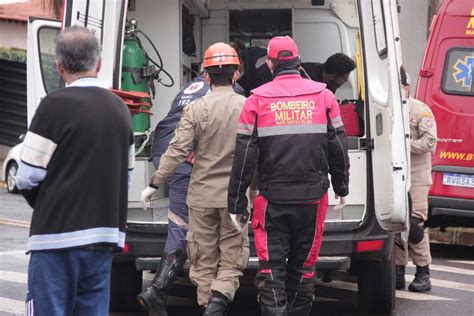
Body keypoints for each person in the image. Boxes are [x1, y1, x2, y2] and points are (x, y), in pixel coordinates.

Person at [15, 26, 134, 315]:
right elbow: (126, 178)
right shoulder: (120, 109)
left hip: (55, 238)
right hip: (104, 237)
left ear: (58, 65)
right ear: (99, 63)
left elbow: (26, 175)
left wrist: (47, 201)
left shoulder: (53, 106)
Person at [227, 36, 350, 316]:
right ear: (297, 60)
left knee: (271, 269)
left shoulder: (256, 100)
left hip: (272, 199)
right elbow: (339, 147)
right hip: (313, 199)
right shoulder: (325, 96)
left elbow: (244, 156)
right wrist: (341, 186)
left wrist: (235, 202)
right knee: (305, 267)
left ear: (270, 64)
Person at [140, 43, 249, 315]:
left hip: (197, 192)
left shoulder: (193, 102)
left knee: (202, 258)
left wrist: (154, 183)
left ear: (207, 74)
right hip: (233, 197)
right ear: (235, 74)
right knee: (231, 258)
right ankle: (217, 302)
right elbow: (256, 153)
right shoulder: (247, 106)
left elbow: (176, 148)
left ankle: (200, 305)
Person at [395, 71, 437, 292]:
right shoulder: (388, 108)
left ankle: (423, 272)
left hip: (417, 176)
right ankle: (398, 271)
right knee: (396, 223)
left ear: (407, 87)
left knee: (415, 225)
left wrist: (404, 145)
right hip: (394, 176)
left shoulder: (420, 110)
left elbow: (430, 142)